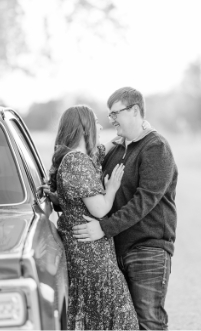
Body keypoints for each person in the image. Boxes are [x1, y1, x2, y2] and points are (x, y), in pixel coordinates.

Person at [72, 87, 177, 330]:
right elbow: (88, 183)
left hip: (148, 249)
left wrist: (104, 228)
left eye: (115, 114)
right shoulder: (117, 149)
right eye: (110, 116)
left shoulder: (156, 147)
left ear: (135, 111)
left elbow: (144, 202)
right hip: (116, 248)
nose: (112, 120)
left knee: (148, 322)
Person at [48, 105, 138, 330]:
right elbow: (100, 210)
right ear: (84, 127)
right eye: (95, 121)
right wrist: (112, 189)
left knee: (97, 317)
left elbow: (101, 148)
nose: (100, 126)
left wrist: (130, 130)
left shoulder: (77, 158)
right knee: (117, 316)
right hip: (91, 255)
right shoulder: (76, 161)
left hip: (87, 252)